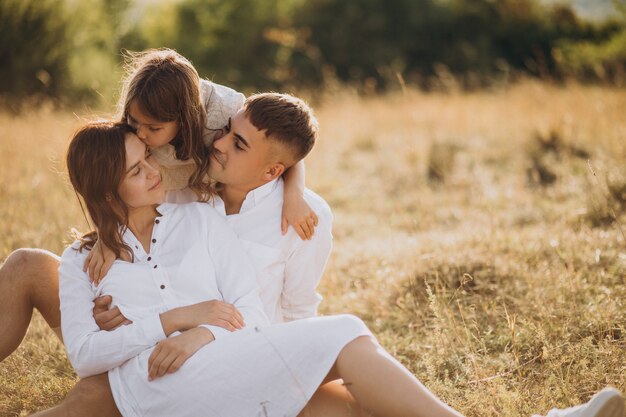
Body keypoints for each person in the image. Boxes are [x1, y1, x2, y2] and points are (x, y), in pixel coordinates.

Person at [35, 95, 625, 417]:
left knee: (352, 410)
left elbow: (247, 308)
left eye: (149, 158)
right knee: (344, 333)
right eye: (139, 170)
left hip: (232, 356)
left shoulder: (197, 213)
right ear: (110, 191)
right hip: (152, 389)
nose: (156, 170)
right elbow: (87, 355)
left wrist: (204, 334)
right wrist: (176, 321)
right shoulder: (80, 258)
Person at [0, 48, 318, 363]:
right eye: (135, 124)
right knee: (26, 263)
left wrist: (294, 191)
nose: (141, 135)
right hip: (145, 336)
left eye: (153, 131)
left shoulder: (225, 117)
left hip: (208, 345)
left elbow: (283, 142)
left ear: (186, 121)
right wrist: (109, 238)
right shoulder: (156, 168)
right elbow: (108, 182)